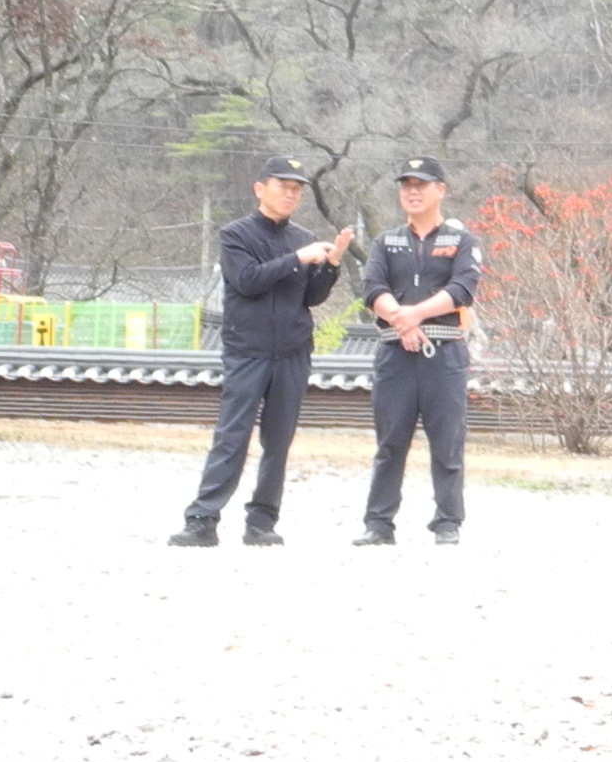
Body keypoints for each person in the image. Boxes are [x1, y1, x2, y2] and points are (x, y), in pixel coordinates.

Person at [172, 155, 353, 548]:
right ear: (260, 189)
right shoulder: (236, 234)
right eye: (283, 186)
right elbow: (248, 280)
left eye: (297, 189)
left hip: (292, 351)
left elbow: (312, 297)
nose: (290, 194)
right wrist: (298, 258)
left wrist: (332, 265)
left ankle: (262, 522)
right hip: (247, 350)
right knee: (232, 435)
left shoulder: (302, 236)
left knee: (278, 440)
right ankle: (202, 519)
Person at [358, 155, 481, 547]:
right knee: (390, 443)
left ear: (440, 190)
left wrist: (414, 315)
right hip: (395, 354)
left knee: (447, 442)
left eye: (421, 185)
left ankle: (448, 522)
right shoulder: (385, 241)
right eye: (407, 186)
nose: (413, 192)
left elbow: (462, 289)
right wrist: (402, 322)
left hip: (444, 354)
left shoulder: (461, 241)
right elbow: (373, 289)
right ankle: (379, 524)